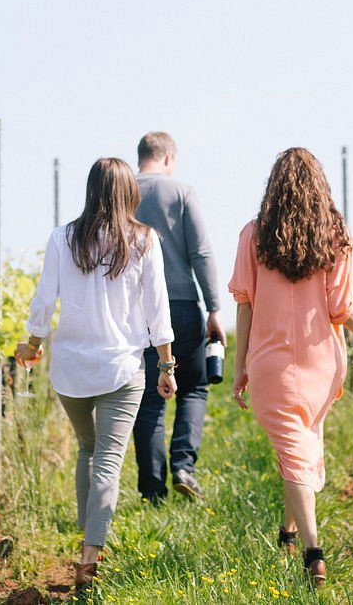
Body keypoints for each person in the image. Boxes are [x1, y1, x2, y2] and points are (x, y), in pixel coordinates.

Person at [228, 148, 353, 586]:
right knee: (298, 448)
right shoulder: (335, 236)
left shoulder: (253, 236)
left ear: (273, 188)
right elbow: (339, 309)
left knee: (294, 450)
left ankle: (313, 553)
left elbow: (244, 304)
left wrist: (240, 366)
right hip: (321, 363)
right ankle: (288, 533)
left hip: (271, 364)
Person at [16, 157, 177, 589]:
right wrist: (166, 364)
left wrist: (31, 345)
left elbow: (44, 301)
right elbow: (157, 309)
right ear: (129, 193)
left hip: (70, 370)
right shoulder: (144, 240)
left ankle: (86, 537)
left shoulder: (62, 237)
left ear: (90, 190)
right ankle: (90, 555)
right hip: (122, 368)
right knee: (108, 459)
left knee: (87, 449)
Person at [132, 131, 224, 502]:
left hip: (138, 311)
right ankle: (184, 466)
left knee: (149, 399)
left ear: (141, 157)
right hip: (183, 304)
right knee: (194, 387)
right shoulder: (181, 192)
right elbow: (201, 253)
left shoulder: (122, 192)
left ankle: (153, 491)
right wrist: (214, 307)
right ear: (168, 158)